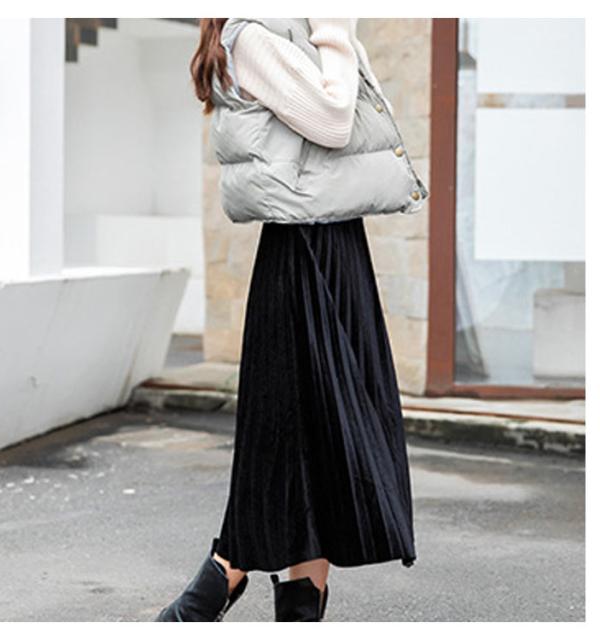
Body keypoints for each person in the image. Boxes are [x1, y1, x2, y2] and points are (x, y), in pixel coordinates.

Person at [156, 17, 425, 623]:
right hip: (302, 250)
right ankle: (221, 575)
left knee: (324, 435)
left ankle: (289, 604)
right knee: (288, 428)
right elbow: (334, 122)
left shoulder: (289, 26)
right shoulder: (253, 34)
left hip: (334, 240)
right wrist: (335, 27)